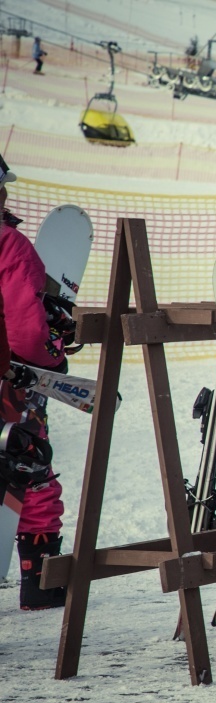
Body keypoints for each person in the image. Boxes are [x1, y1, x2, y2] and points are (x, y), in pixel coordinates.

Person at [0, 155, 67, 610]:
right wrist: (50, 360)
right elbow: (26, 329)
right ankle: (40, 584)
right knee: (29, 467)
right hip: (8, 382)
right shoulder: (8, 245)